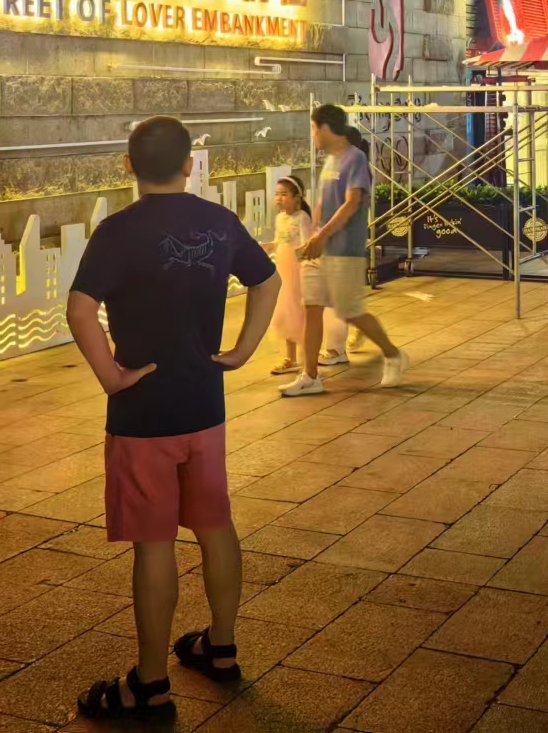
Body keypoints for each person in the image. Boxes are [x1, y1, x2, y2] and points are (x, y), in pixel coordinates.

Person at [67, 116, 280, 719]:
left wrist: (112, 377)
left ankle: (150, 682)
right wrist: (242, 351)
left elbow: (80, 310)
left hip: (143, 413)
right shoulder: (220, 221)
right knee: (216, 525)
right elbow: (267, 282)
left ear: (128, 166)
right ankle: (221, 647)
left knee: (154, 543)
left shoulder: (117, 231)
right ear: (190, 165)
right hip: (204, 404)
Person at [298, 105, 408, 386]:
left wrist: (322, 236)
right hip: (321, 249)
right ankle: (309, 377)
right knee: (311, 307)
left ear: (325, 128)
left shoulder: (354, 158)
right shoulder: (329, 160)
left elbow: (352, 203)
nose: (313, 135)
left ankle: (393, 354)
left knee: (350, 311)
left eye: (314, 129)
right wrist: (313, 234)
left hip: (345, 249)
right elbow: (321, 202)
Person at [266, 177, 332, 397]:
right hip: (282, 268)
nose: (279, 198)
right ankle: (290, 357)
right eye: (277, 194)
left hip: (297, 268)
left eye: (284, 194)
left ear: (297, 198)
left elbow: (306, 244)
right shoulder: (279, 218)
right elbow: (278, 241)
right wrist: (267, 247)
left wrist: (299, 261)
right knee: (285, 311)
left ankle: (306, 360)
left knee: (299, 312)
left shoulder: (302, 217)